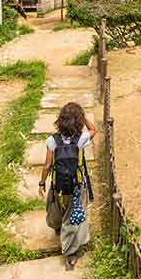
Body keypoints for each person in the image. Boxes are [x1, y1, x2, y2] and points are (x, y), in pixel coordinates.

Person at [39, 102, 96, 270]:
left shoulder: (52, 140)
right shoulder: (82, 139)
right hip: (76, 187)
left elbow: (47, 166)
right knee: (72, 219)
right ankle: (70, 254)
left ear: (60, 120)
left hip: (58, 185)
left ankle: (57, 227)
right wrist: (84, 118)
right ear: (78, 122)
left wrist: (42, 182)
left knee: (54, 207)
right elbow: (94, 130)